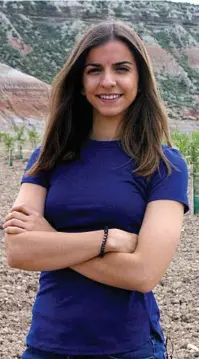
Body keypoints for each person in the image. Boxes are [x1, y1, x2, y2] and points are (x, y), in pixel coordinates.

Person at [3, 20, 189, 359]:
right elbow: (19, 252)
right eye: (94, 70)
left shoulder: (164, 165)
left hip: (129, 347)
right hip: (48, 344)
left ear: (139, 81)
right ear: (80, 82)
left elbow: (144, 273)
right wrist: (108, 239)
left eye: (121, 69)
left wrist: (52, 240)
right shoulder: (48, 157)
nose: (107, 81)